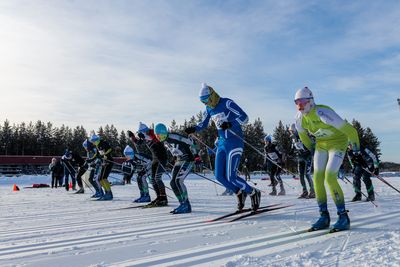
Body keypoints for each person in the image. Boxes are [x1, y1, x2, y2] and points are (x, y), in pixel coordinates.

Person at [185, 83, 261, 211]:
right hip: (222, 143)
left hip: (235, 142)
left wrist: (230, 124)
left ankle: (253, 192)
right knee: (219, 176)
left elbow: (245, 118)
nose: (205, 103)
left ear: (212, 96)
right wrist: (194, 128)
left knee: (231, 176)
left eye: (206, 99)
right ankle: (239, 192)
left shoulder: (227, 103)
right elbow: (203, 124)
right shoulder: (209, 109)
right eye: (202, 101)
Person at [294, 86, 360, 232]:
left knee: (330, 177)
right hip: (321, 145)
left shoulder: (322, 112)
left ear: (311, 101)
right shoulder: (299, 119)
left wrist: (356, 151)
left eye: (303, 101)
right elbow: (304, 137)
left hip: (338, 143)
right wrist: (312, 149)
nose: (300, 105)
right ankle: (324, 217)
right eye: (297, 102)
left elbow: (351, 131)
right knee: (317, 178)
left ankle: (343, 217)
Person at [155, 123, 196, 214]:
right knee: (173, 182)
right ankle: (182, 203)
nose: (159, 137)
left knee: (178, 181)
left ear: (164, 133)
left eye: (160, 135)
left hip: (188, 159)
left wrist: (196, 155)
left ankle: (186, 205)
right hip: (179, 160)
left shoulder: (173, 136)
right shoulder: (165, 142)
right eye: (157, 136)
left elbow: (190, 142)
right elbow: (175, 150)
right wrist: (173, 159)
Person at [128, 122, 169, 208]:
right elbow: (138, 142)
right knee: (153, 180)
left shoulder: (152, 133)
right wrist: (132, 136)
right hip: (154, 159)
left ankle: (164, 199)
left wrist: (145, 136)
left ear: (146, 130)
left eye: (144, 132)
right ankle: (159, 198)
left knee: (158, 178)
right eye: (142, 133)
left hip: (162, 158)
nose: (143, 134)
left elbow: (156, 139)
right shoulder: (144, 136)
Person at [289, 123, 315, 198]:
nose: (291, 132)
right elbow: (293, 147)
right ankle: (304, 191)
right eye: (290, 131)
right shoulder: (293, 138)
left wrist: (312, 152)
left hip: (307, 156)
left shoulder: (302, 135)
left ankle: (313, 191)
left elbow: (311, 144)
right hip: (300, 157)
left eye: (292, 131)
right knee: (300, 175)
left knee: (307, 174)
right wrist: (290, 153)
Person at [89, 134, 114, 200]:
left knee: (103, 178)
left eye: (93, 141)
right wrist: (91, 159)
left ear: (96, 140)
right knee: (101, 178)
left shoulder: (103, 143)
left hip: (108, 161)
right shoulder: (97, 145)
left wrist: (105, 155)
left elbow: (110, 149)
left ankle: (108, 193)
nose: (93, 143)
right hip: (104, 162)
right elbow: (97, 154)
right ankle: (107, 192)